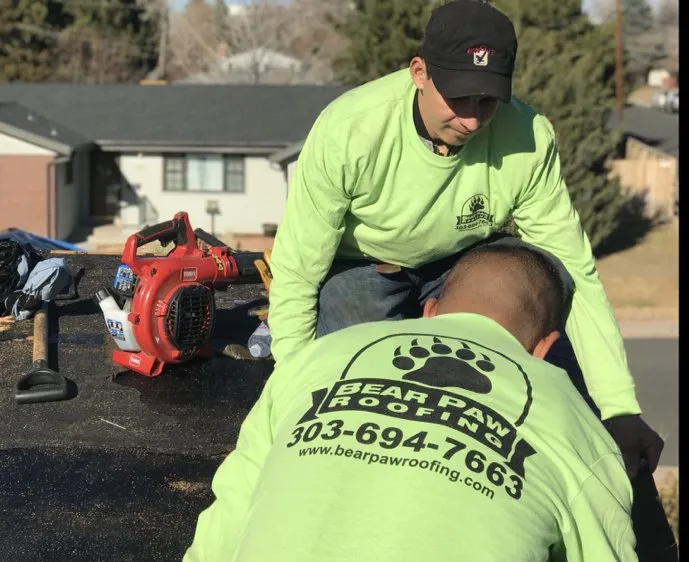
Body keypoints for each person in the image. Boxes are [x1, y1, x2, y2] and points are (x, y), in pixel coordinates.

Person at [266, 0, 664, 481]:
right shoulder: (349, 130)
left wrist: (618, 406)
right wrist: (287, 387)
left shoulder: (528, 137)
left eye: (488, 101)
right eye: (459, 99)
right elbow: (298, 267)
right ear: (419, 73)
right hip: (365, 267)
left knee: (549, 359)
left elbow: (572, 271)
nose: (474, 121)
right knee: (354, 381)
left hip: (462, 261)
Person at [185, 245, 637, 561]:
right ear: (543, 348)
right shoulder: (572, 419)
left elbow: (229, 514)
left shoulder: (318, 360)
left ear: (430, 313)